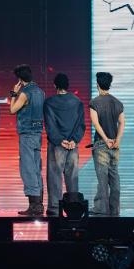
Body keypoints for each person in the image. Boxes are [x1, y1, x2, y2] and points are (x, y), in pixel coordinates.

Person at [43, 73, 86, 217]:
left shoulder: (49, 103)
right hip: (73, 145)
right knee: (72, 177)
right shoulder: (77, 102)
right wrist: (74, 140)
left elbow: (50, 125)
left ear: (55, 85)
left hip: (57, 145)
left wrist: (60, 140)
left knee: (54, 177)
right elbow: (81, 125)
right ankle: (74, 209)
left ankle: (55, 209)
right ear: (68, 85)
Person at [9, 64, 45, 217]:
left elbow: (12, 110)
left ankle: (34, 206)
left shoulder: (25, 93)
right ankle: (39, 204)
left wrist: (13, 94)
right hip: (38, 134)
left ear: (20, 79)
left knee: (28, 169)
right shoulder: (41, 92)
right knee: (36, 169)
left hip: (27, 134)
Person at [90, 71, 125, 216]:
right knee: (114, 177)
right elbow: (122, 122)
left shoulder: (94, 102)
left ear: (97, 84)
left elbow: (96, 124)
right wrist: (117, 140)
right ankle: (115, 209)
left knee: (102, 179)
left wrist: (105, 139)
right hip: (115, 146)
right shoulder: (118, 102)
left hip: (101, 145)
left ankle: (101, 209)